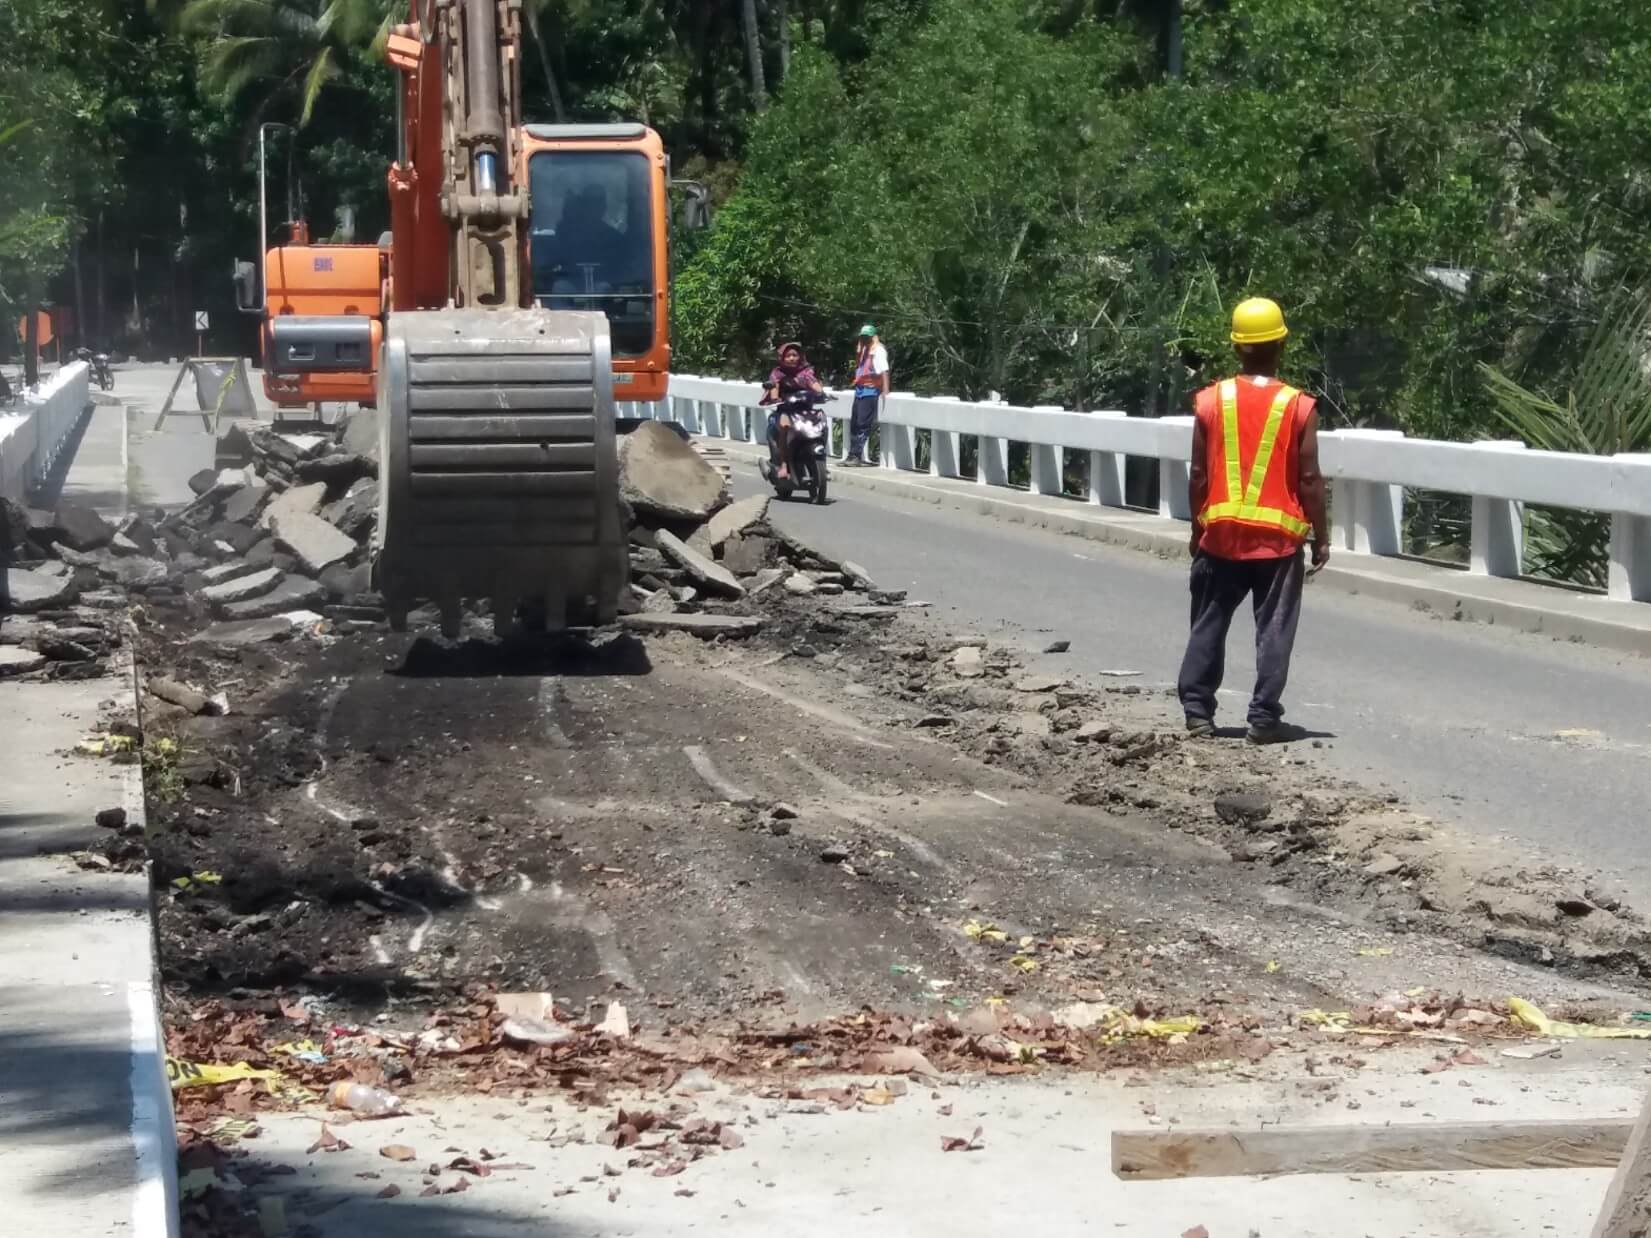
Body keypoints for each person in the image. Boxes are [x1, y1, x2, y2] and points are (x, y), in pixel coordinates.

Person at [1177, 297, 1330, 744]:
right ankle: (1263, 718)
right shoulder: (1298, 406)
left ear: (1237, 348)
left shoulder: (1210, 400)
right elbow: (1309, 477)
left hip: (1221, 535)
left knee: (1209, 621)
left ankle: (1198, 713)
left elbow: (1200, 474)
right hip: (1278, 543)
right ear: (1281, 343)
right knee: (1275, 629)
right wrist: (1321, 538)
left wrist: (1196, 528)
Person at [761, 342, 823, 480]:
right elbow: (774, 387)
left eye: (794, 355)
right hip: (786, 410)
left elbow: (814, 384)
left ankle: (820, 459)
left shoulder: (806, 373)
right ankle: (784, 464)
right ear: (782, 358)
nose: (792, 358)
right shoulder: (777, 373)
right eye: (788, 356)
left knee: (820, 425)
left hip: (805, 412)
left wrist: (821, 393)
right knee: (784, 427)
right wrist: (775, 397)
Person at [845, 324, 889, 465]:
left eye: (866, 337)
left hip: (870, 391)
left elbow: (884, 371)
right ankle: (852, 455)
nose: (864, 339)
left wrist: (885, 390)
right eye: (862, 337)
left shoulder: (878, 350)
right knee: (854, 424)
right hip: (860, 391)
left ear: (872, 337)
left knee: (863, 424)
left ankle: (856, 456)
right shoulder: (864, 350)